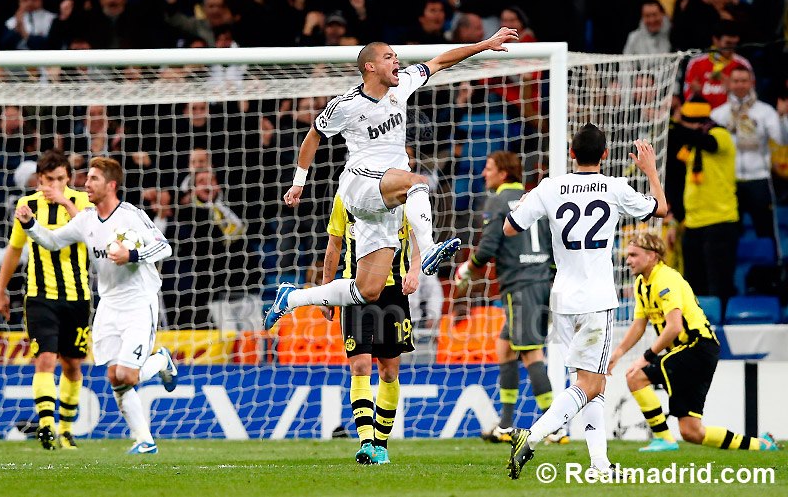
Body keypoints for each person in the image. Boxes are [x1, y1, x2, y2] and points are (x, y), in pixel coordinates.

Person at [264, 27, 521, 328]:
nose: (397, 60)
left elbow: (440, 61)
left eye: (396, 56)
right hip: (360, 184)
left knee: (368, 290)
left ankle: (292, 298)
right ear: (370, 67)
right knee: (418, 182)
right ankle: (429, 250)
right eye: (388, 57)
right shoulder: (346, 105)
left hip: (385, 199)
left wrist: (485, 44)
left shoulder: (403, 85)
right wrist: (299, 182)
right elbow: (314, 135)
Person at [504, 127, 667, 479]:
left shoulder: (550, 187)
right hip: (595, 298)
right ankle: (532, 436)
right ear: (605, 154)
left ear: (571, 153)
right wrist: (651, 171)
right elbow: (661, 209)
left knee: (591, 383)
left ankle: (600, 465)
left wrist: (529, 202)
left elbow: (510, 227)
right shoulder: (614, 188)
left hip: (562, 298)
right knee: (591, 383)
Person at [14, 157, 177, 454]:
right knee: (115, 377)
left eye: (93, 179)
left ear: (111, 185)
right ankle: (145, 441)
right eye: (87, 178)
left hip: (139, 302)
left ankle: (161, 361)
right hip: (109, 305)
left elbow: (163, 246)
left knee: (127, 375)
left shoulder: (131, 215)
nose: (86, 184)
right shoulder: (86, 219)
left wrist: (132, 255)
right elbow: (52, 241)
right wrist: (30, 225)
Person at [608, 233, 779, 452]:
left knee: (636, 376)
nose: (628, 260)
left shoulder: (665, 278)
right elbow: (639, 325)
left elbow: (674, 327)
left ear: (652, 256)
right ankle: (761, 445)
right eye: (627, 255)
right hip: (687, 353)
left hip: (698, 347)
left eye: (633, 255)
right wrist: (618, 353)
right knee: (692, 432)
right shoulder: (642, 284)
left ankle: (664, 439)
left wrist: (645, 357)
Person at [453, 151, 563, 444]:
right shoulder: (535, 199)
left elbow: (488, 247)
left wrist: (467, 269)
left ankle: (554, 427)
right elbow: (553, 243)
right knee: (505, 347)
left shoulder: (498, 201)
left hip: (520, 284)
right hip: (540, 281)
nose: (483, 173)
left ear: (503, 173)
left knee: (531, 352)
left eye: (488, 168)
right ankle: (505, 425)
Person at [0, 150, 90, 450]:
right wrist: (0, 289)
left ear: (69, 178)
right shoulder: (27, 205)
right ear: (39, 180)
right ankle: (46, 427)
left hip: (77, 297)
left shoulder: (82, 202)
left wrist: (64, 201)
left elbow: (91, 234)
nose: (54, 185)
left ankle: (66, 430)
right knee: (45, 359)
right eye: (49, 180)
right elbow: (14, 249)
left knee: (72, 365)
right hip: (39, 296)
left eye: (60, 179)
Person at [321, 194, 419, 465]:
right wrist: (326, 292)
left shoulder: (404, 197)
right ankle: (366, 443)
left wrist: (414, 271)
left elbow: (418, 239)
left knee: (389, 371)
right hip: (355, 291)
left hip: (394, 294)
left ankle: (381, 445)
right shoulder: (345, 196)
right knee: (360, 366)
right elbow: (334, 244)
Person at [711, 66, 787, 259]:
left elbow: (782, 140)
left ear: (752, 82)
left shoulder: (765, 111)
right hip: (729, 182)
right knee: (729, 233)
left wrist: (782, 118)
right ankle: (728, 274)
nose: (740, 85)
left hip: (759, 179)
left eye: (744, 81)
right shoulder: (718, 114)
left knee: (766, 230)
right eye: (736, 81)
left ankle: (774, 270)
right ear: (729, 83)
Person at [673, 98, 738, 303]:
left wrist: (674, 125)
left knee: (717, 284)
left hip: (720, 221)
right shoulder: (692, 144)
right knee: (693, 283)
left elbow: (708, 143)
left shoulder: (720, 134)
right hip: (693, 223)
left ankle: (722, 320)